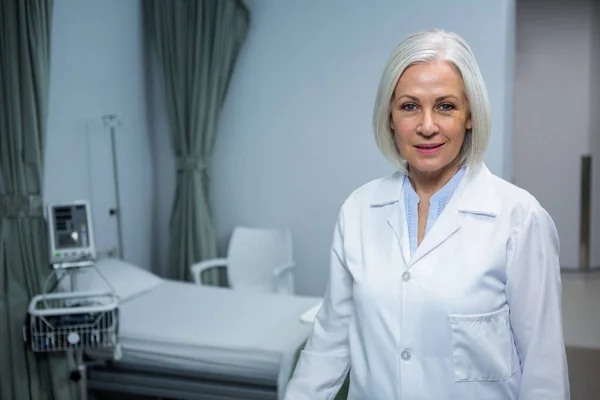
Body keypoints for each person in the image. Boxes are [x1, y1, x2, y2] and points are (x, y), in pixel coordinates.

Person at [284, 29, 570, 400]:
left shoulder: (519, 218)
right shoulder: (358, 209)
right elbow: (328, 345)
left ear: (470, 116)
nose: (428, 125)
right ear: (389, 117)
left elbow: (543, 370)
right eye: (409, 106)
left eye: (446, 106)